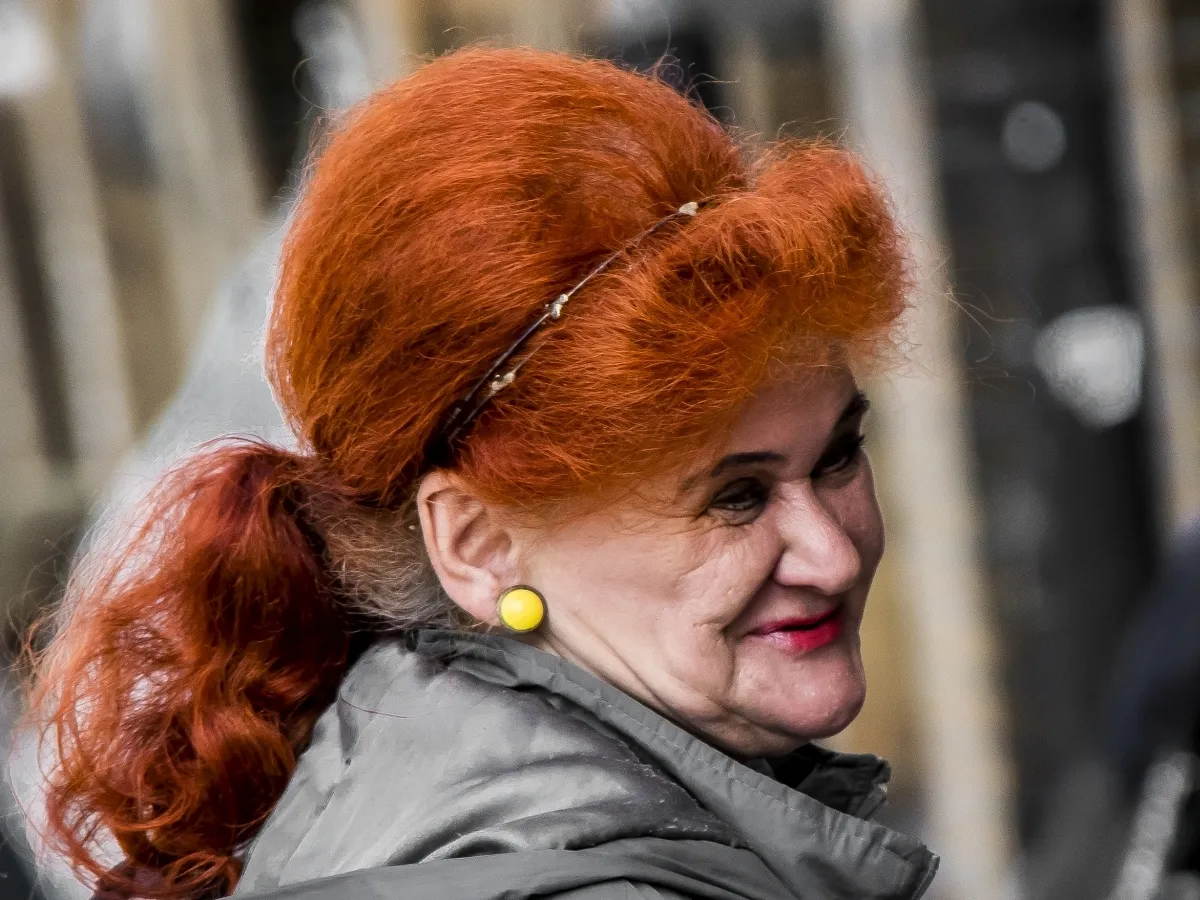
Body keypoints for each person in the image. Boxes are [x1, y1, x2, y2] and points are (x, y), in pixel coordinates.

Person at [27, 47, 938, 900]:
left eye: (837, 457)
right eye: (733, 498)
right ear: (478, 544)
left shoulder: (392, 759)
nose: (832, 554)